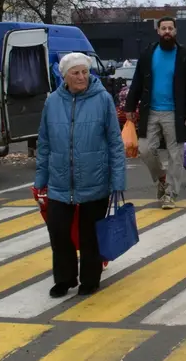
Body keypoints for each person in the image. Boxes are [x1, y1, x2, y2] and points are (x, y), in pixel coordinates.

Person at [34, 53, 127, 298]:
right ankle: (64, 279)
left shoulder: (103, 99)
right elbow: (44, 143)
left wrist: (117, 180)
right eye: (75, 73)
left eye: (84, 72)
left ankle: (89, 279)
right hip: (59, 180)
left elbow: (115, 142)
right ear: (64, 76)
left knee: (90, 235)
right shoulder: (52, 102)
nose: (81, 77)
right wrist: (40, 179)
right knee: (59, 232)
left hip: (95, 179)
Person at [123, 17, 186, 209]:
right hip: (151, 111)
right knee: (145, 149)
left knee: (176, 155)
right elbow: (137, 82)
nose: (167, 31)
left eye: (170, 28)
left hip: (175, 113)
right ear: (158, 31)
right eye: (163, 28)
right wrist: (130, 107)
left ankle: (170, 194)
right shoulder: (148, 54)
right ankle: (161, 178)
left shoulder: (184, 56)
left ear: (175, 31)